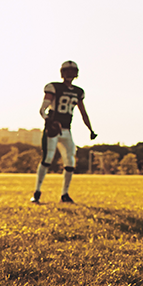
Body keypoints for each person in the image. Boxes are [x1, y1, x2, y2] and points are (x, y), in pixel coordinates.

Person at [31, 60, 97, 204]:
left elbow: (83, 112)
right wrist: (49, 120)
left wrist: (90, 129)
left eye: (72, 71)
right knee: (47, 158)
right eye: (67, 71)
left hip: (67, 130)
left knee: (70, 161)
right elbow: (42, 109)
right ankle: (37, 192)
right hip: (53, 130)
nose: (70, 74)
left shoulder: (78, 92)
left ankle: (65, 194)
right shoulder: (54, 87)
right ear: (62, 72)